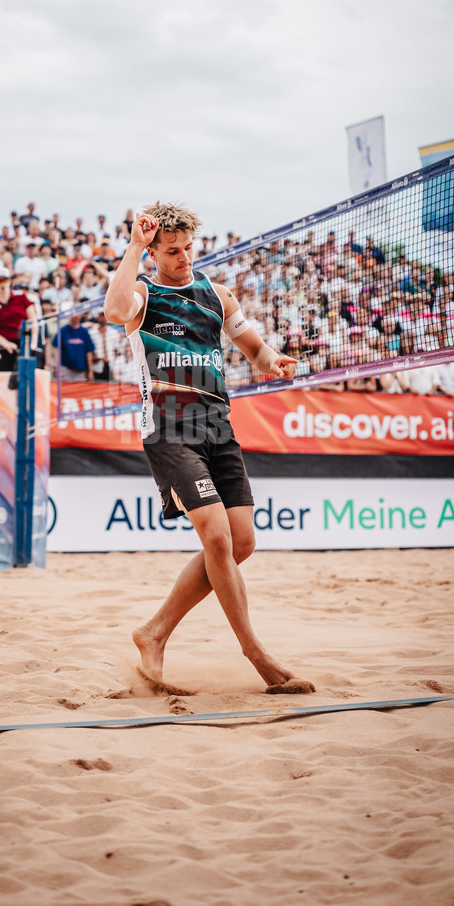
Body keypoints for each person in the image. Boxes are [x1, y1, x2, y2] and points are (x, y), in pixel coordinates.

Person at [103, 203, 314, 694]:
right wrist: (134, 245)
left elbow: (255, 351)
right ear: (153, 252)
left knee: (242, 542)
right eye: (171, 250)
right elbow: (114, 312)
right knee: (216, 537)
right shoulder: (143, 294)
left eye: (188, 248)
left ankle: (153, 632)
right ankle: (256, 655)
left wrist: (273, 359)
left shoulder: (217, 296)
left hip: (217, 425)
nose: (183, 257)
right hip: (169, 429)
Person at [0, 267, 37, 371]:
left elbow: (33, 320)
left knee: (26, 375)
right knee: (5, 378)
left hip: (24, 342)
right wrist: (4, 343)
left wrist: (32, 341)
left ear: (9, 281)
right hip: (4, 344)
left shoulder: (21, 297)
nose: (2, 284)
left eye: (5, 280)